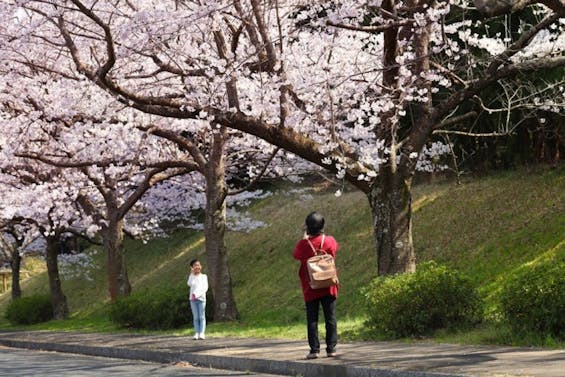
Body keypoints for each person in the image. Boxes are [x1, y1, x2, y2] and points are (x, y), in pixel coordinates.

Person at [293, 211, 339, 359]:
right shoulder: (330, 240)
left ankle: (314, 350)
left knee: (312, 318)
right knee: (330, 317)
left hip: (310, 286)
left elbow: (296, 256)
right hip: (328, 284)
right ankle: (331, 348)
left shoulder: (303, 244)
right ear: (322, 225)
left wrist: (304, 239)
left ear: (307, 227)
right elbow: (334, 250)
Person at [187, 259, 208, 340]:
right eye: (195, 265)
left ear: (201, 266)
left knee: (201, 317)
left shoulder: (204, 276)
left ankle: (202, 333)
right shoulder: (192, 276)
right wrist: (192, 274)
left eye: (198, 265)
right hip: (193, 300)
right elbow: (189, 284)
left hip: (201, 299)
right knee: (196, 317)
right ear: (192, 267)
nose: (197, 267)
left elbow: (205, 288)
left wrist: (196, 295)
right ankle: (196, 333)